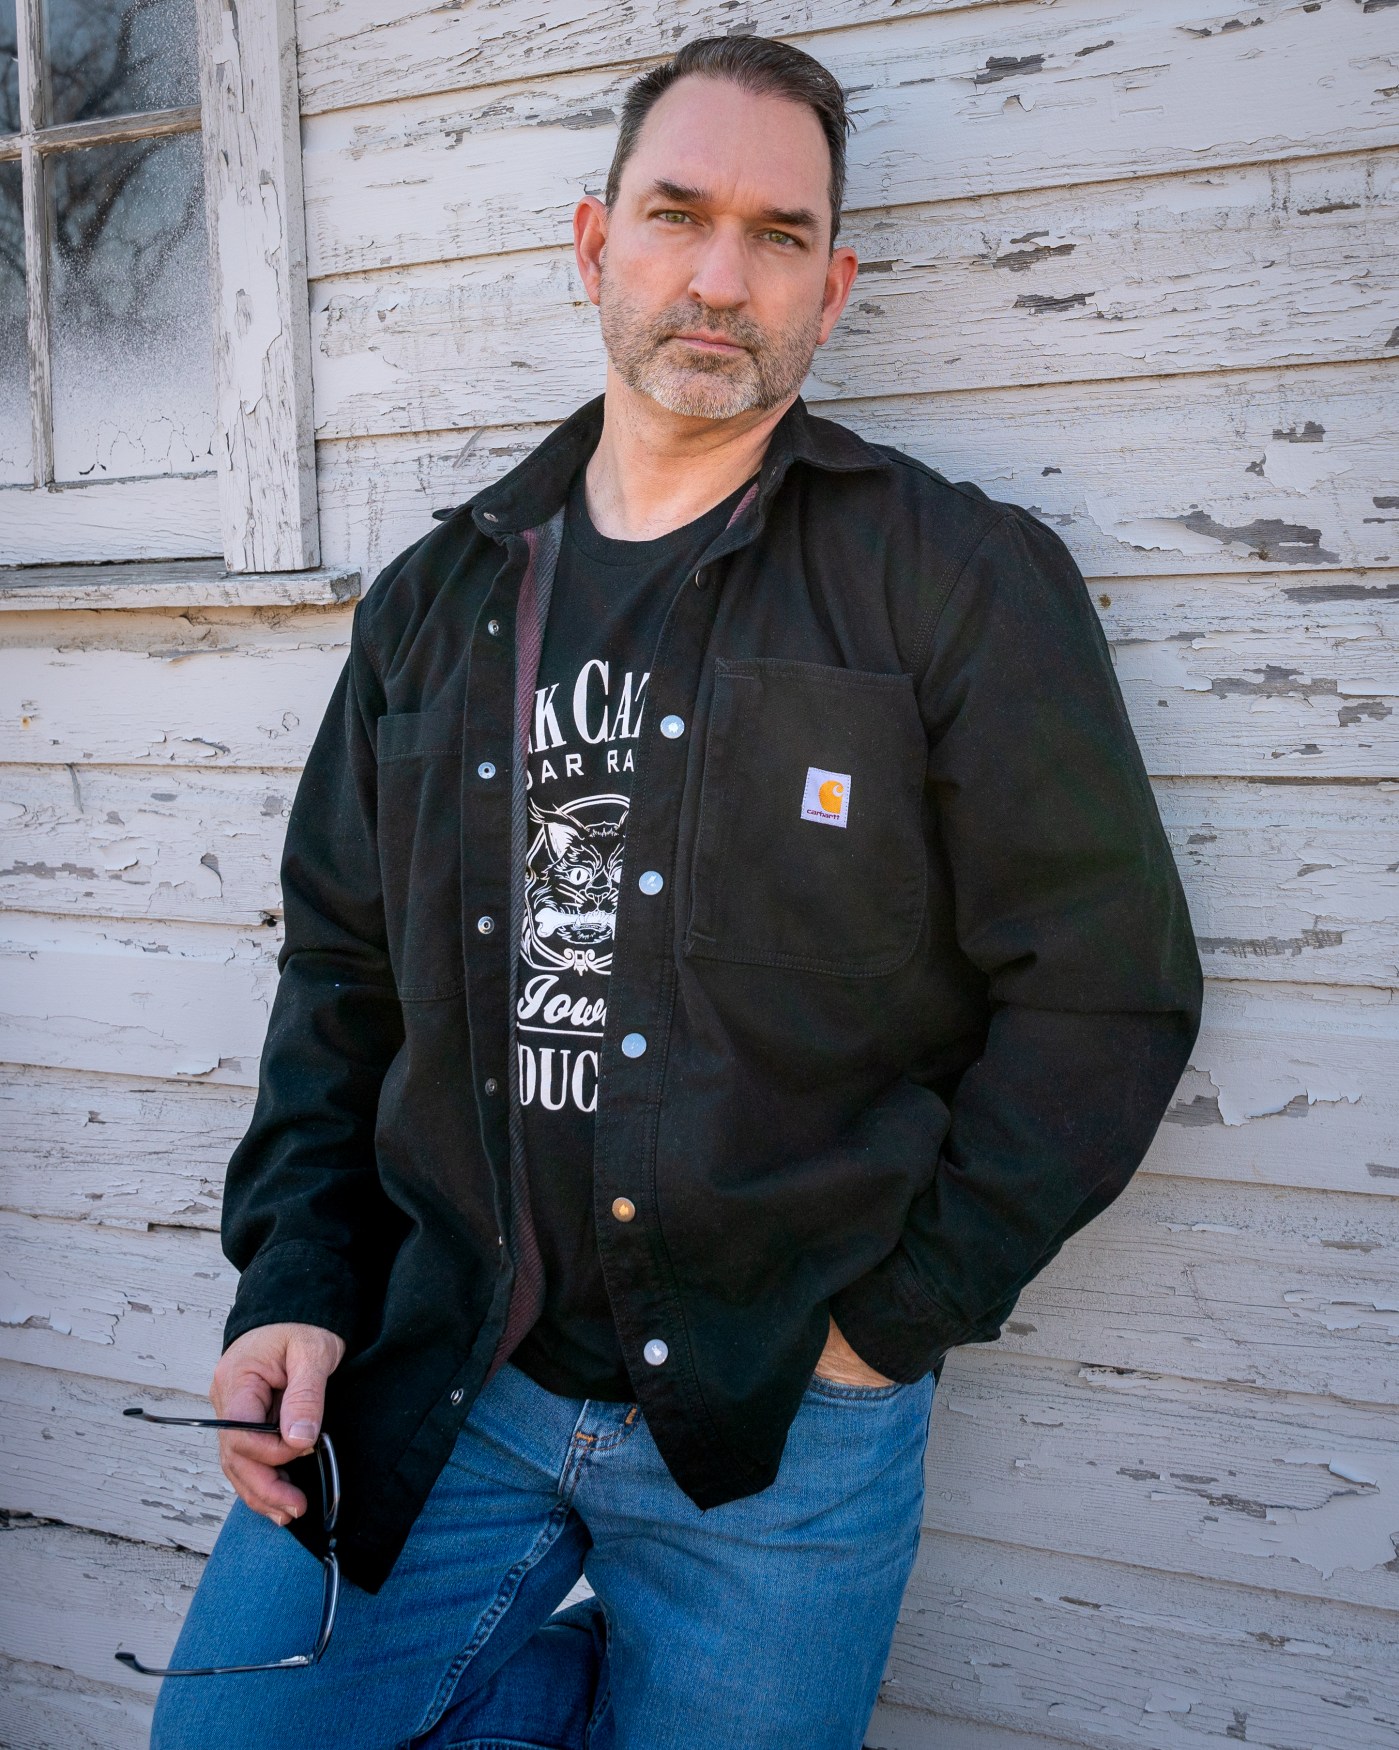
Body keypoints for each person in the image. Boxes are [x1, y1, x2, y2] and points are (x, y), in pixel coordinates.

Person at [151, 33, 1201, 1750]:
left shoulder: (955, 581)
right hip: (448, 1370)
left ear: (833, 287)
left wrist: (888, 1327)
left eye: (781, 235)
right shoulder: (434, 603)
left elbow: (1107, 990)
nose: (723, 277)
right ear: (595, 244)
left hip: (784, 1415)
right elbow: (340, 977)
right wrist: (293, 1281)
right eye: (678, 214)